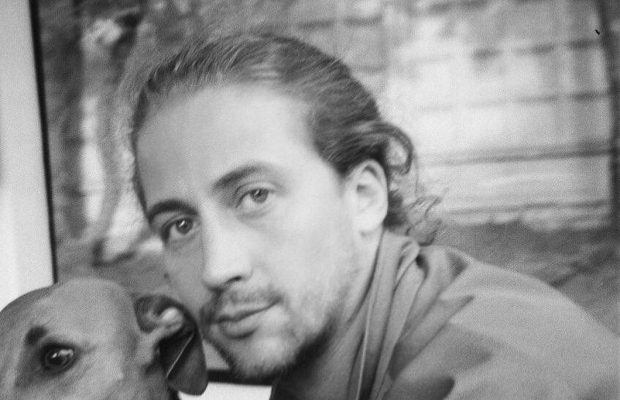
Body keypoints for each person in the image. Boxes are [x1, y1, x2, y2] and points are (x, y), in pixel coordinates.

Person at [120, 33, 618, 400]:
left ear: (364, 197)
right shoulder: (324, 360)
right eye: (180, 226)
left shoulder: (495, 375)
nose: (216, 268)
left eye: (255, 196)